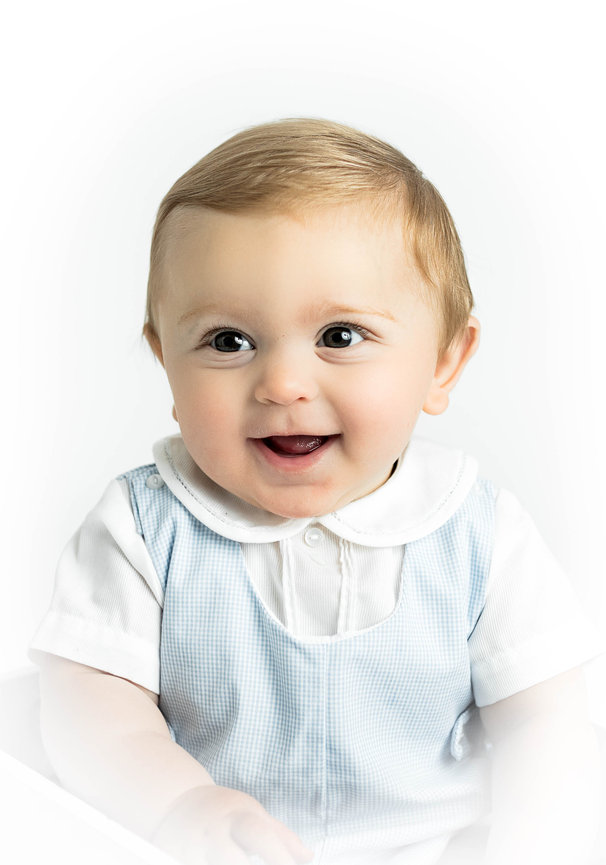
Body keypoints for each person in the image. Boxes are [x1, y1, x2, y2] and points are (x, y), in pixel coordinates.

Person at [30, 118, 603, 865]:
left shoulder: (479, 531)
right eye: (228, 341)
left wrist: (538, 841)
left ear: (443, 362)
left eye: (340, 335)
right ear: (165, 362)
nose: (284, 385)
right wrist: (177, 804)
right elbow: (86, 702)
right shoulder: (144, 525)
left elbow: (548, 717)